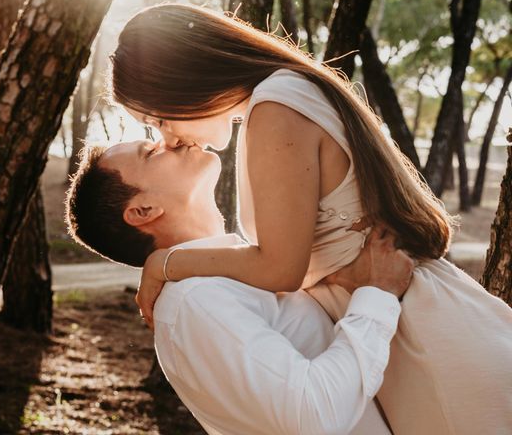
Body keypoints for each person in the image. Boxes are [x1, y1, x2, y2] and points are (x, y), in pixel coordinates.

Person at [107, 3, 512, 434]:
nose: (168, 136)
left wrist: (166, 263)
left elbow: (280, 267)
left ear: (180, 78)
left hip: (426, 337)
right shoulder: (283, 96)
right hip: (407, 328)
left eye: (158, 118)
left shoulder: (276, 108)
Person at [65, 139, 413, 433]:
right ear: (143, 210)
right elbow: (313, 414)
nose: (172, 140)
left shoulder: (232, 277)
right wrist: (377, 295)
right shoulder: (196, 301)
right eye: (151, 152)